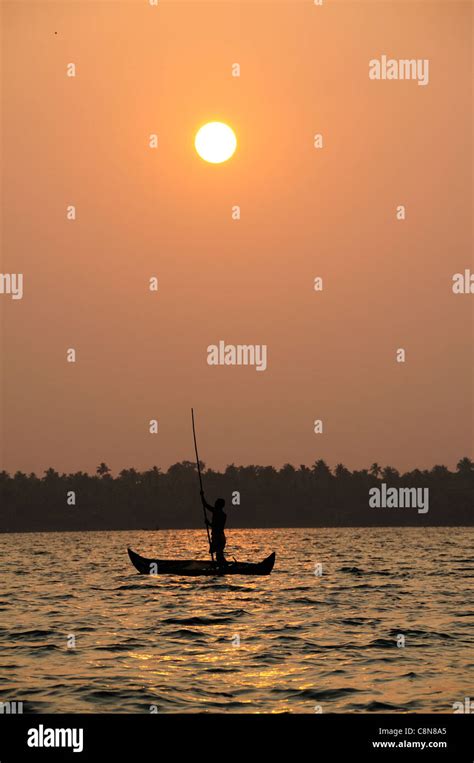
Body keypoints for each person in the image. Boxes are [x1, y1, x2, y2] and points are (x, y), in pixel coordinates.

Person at [200, 490, 227, 564]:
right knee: (219, 554)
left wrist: (208, 523)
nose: (214, 504)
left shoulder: (218, 513)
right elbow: (205, 505)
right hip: (220, 537)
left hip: (218, 537)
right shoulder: (223, 514)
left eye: (216, 503)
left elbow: (217, 527)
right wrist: (202, 495)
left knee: (219, 555)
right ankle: (223, 565)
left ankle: (223, 567)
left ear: (218, 505)